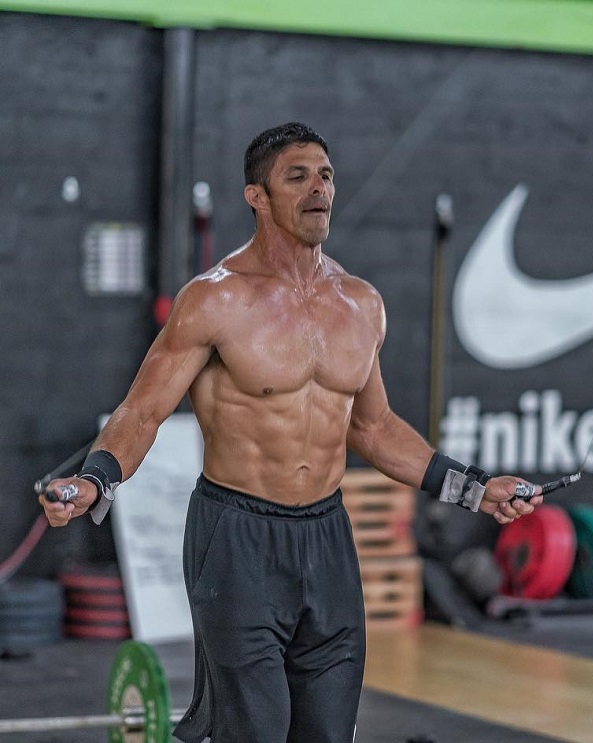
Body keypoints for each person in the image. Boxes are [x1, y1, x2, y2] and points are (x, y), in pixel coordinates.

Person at [39, 122, 543, 743]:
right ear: (257, 196)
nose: (318, 189)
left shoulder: (361, 303)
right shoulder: (214, 301)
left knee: (329, 732)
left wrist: (475, 488)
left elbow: (376, 426)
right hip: (237, 537)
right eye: (297, 176)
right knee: (255, 729)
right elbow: (140, 413)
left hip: (327, 540)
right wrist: (97, 479)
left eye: (326, 175)